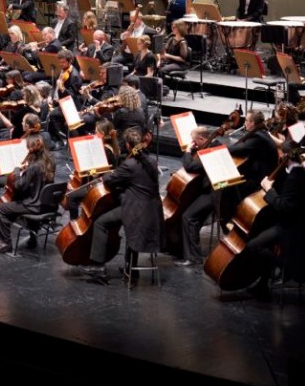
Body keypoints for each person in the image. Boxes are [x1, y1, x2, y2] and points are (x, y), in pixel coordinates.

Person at [80, 128, 163, 279]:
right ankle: (131, 267)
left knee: (100, 223)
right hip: (153, 209)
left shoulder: (130, 164)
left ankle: (97, 266)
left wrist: (106, 173)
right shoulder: (151, 161)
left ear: (128, 146)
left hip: (136, 211)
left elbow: (109, 180)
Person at [244, 139, 305, 300]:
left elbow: (283, 205)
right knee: (262, 231)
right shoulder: (298, 172)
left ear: (284, 156)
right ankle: (263, 284)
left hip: (292, 229)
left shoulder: (296, 177)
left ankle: (281, 264)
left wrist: (269, 189)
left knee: (254, 245)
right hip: (293, 222)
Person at [0, 133, 57, 253]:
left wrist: (17, 171)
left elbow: (19, 186)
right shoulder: (50, 160)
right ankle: (33, 238)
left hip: (33, 204)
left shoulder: (34, 167)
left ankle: (6, 243)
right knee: (16, 203)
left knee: (2, 209)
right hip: (47, 204)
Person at [174, 126, 222, 267]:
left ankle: (193, 258)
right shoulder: (216, 144)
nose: (194, 144)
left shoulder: (209, 152)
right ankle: (191, 253)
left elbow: (190, 166)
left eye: (195, 142)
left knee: (188, 217)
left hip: (213, 194)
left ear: (201, 139)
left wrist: (188, 150)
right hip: (213, 190)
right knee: (193, 218)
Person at [224, 110, 279, 227]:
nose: (244, 123)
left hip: (263, 179)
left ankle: (232, 219)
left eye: (246, 121)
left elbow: (239, 149)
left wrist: (220, 148)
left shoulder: (258, 137)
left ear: (253, 123)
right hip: (263, 171)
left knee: (230, 186)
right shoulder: (262, 132)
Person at [64, 119, 120, 221]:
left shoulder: (105, 150)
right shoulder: (113, 146)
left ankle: (74, 223)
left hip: (100, 186)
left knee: (72, 197)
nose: (94, 134)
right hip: (102, 182)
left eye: (96, 132)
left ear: (103, 134)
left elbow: (95, 174)